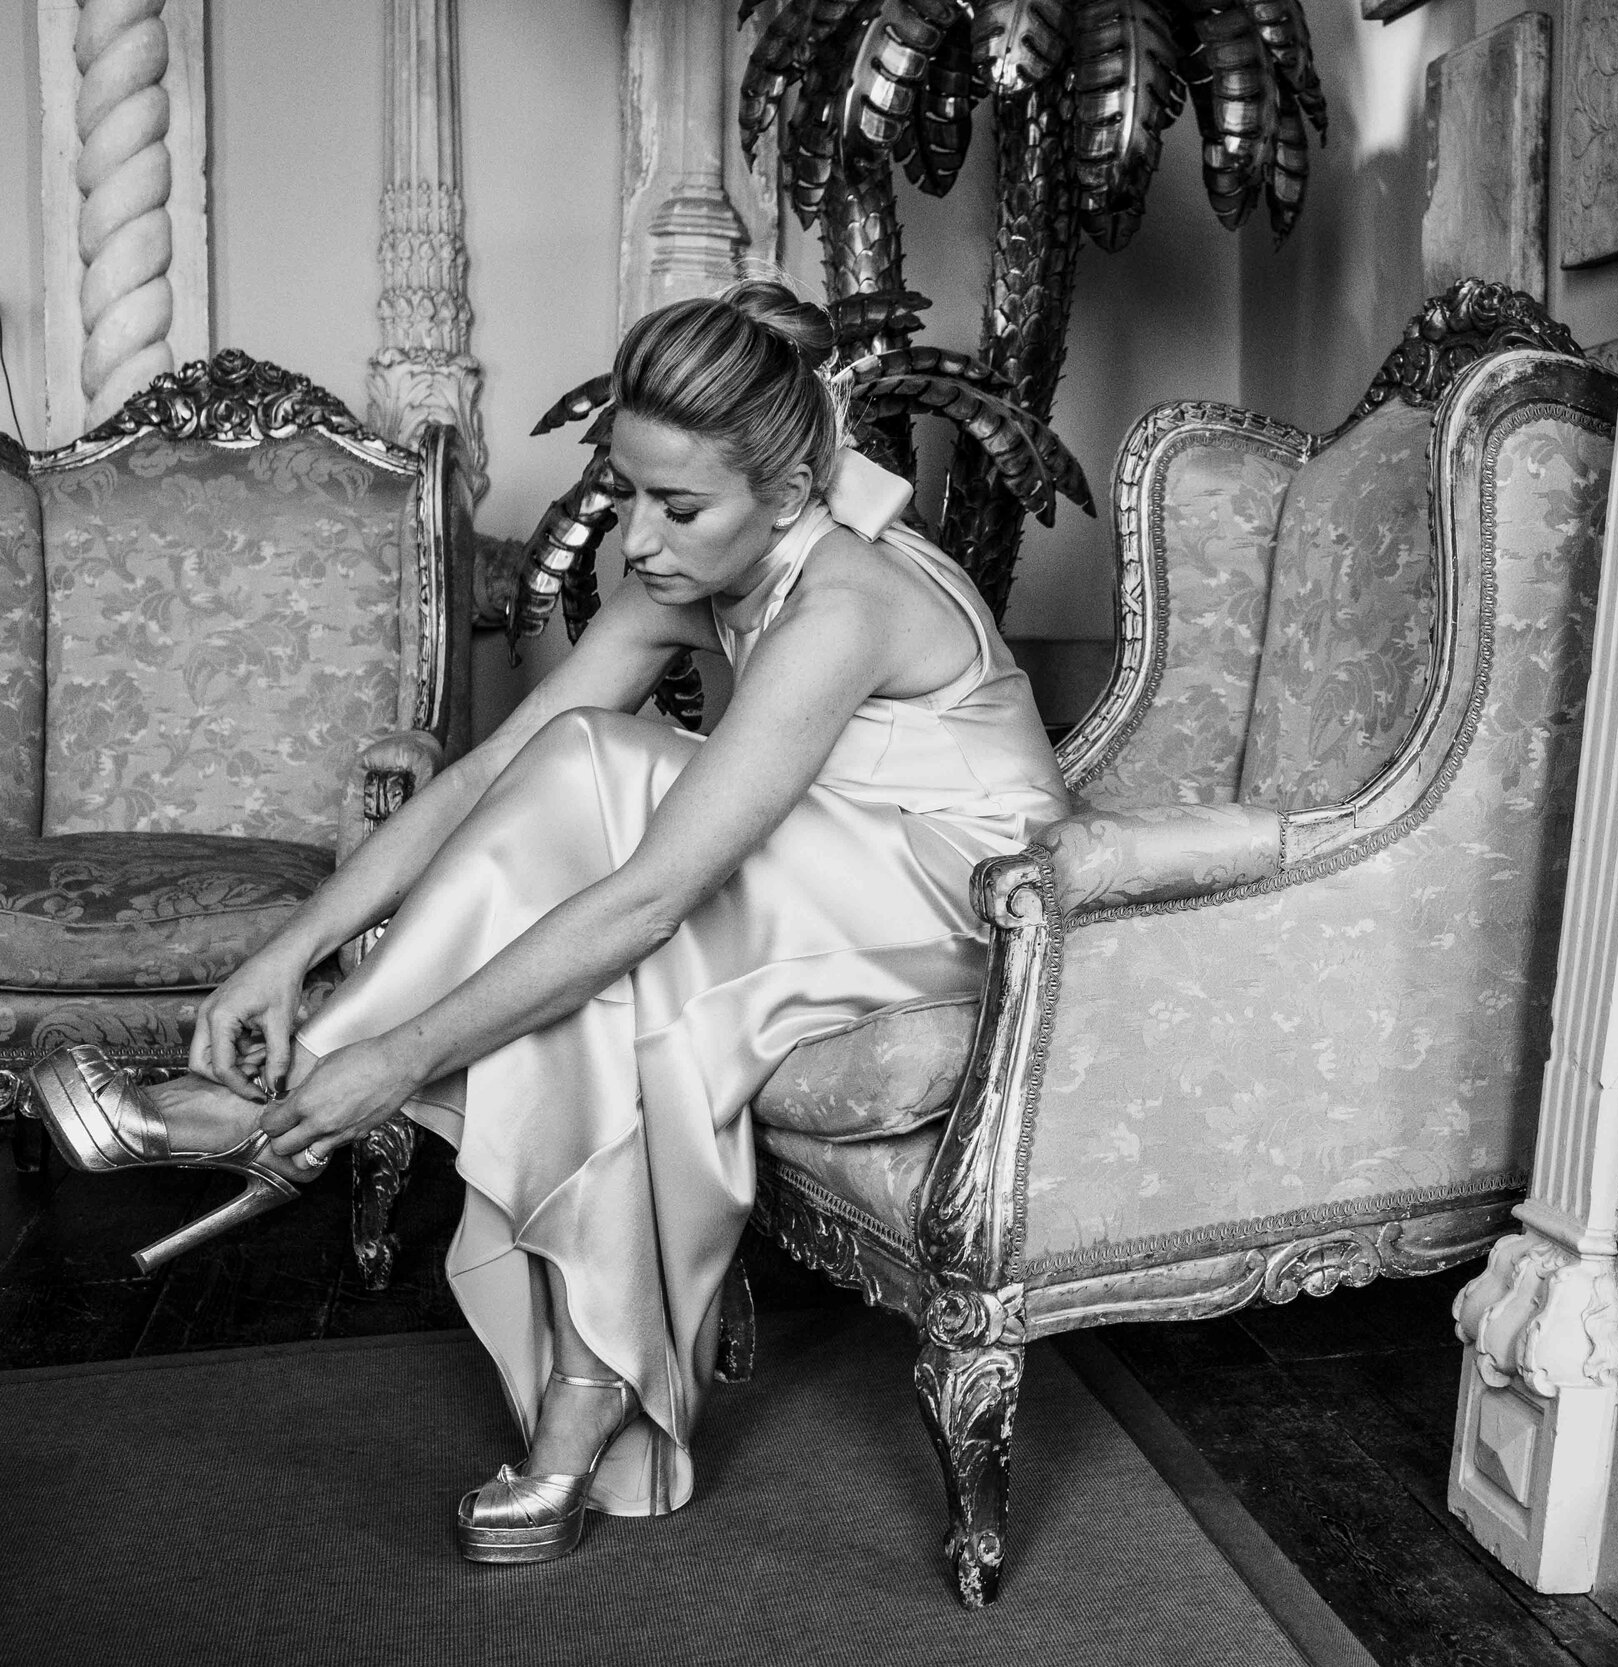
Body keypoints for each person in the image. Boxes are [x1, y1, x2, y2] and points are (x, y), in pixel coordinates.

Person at [28, 280, 1072, 1563]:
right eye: (626, 490)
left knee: (604, 839)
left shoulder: (845, 601)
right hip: (801, 862)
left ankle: (272, 1114)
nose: (637, 537)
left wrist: (393, 1059)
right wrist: (282, 954)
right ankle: (579, 1409)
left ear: (793, 494)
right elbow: (486, 775)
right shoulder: (694, 559)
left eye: (678, 504)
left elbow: (644, 897)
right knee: (574, 819)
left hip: (954, 898)